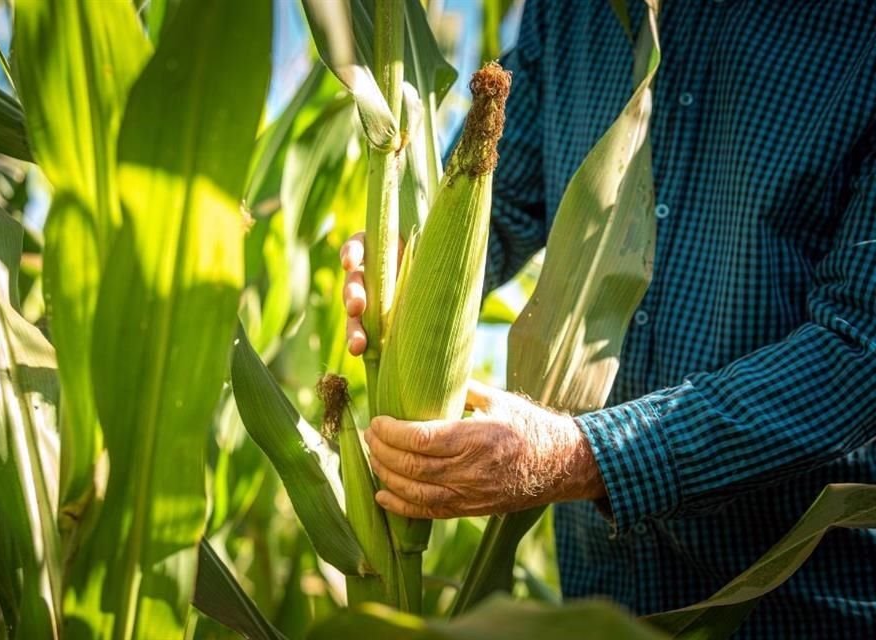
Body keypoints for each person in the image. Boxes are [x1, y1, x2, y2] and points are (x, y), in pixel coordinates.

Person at [339, 2, 876, 637]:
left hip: (801, 607)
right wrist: (406, 265)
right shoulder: (571, 12)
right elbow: (502, 205)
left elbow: (858, 350)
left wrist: (579, 455)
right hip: (599, 604)